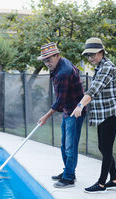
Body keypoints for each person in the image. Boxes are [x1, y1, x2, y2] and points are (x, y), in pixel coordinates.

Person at [71, 37, 116, 193]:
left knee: (106, 148)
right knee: (103, 147)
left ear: (101, 52)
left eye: (93, 55)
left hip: (111, 114)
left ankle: (101, 184)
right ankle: (114, 179)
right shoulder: (100, 67)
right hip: (103, 114)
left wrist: (80, 105)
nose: (90, 58)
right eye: (88, 55)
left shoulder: (107, 67)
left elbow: (94, 90)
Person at [37, 43, 86, 188]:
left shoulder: (63, 72)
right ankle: (68, 171)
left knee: (70, 146)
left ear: (57, 56)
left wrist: (45, 116)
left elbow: (59, 102)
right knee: (64, 145)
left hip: (75, 111)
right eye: (44, 60)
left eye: (49, 59)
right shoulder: (61, 64)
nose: (47, 63)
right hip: (67, 110)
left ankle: (69, 178)